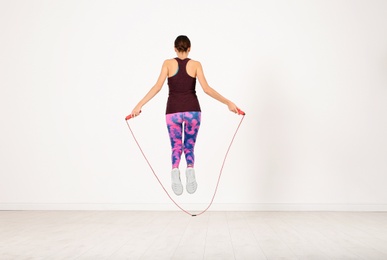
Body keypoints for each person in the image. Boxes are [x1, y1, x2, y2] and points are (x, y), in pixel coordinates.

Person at [131, 35, 241, 196]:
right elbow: (207, 89)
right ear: (189, 48)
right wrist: (228, 102)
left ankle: (175, 171)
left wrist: (139, 105)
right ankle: (190, 169)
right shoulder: (196, 65)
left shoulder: (167, 64)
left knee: (176, 146)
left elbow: (157, 87)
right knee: (189, 146)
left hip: (173, 112)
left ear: (175, 48)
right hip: (192, 112)